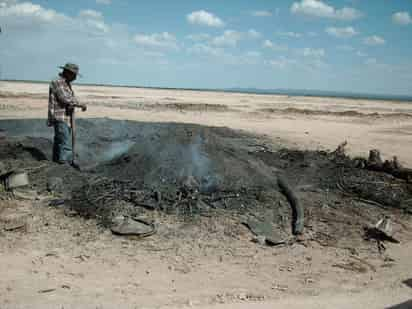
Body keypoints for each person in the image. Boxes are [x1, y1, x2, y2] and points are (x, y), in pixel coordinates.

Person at [47, 63, 87, 167]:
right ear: (67, 73)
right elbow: (65, 99)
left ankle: (56, 162)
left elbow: (71, 98)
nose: (75, 78)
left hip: (66, 117)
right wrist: (80, 104)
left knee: (60, 140)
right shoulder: (58, 82)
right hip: (60, 116)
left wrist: (75, 103)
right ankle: (65, 164)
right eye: (74, 75)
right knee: (64, 141)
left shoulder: (66, 84)